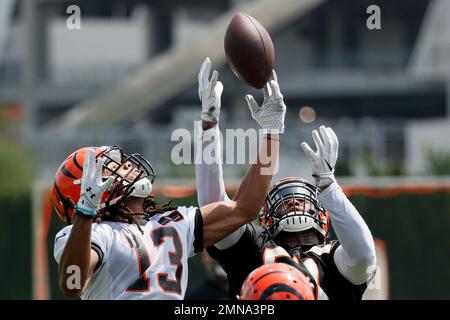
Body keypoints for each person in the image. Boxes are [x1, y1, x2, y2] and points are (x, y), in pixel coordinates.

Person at [51, 57, 286, 300]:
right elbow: (73, 284)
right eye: (114, 166)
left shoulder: (174, 222)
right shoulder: (91, 233)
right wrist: (85, 212)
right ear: (89, 188)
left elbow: (245, 209)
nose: (127, 165)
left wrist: (271, 131)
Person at [195, 59, 377, 300]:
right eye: (281, 201)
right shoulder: (255, 249)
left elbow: (364, 255)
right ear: (267, 216)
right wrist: (209, 126)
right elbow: (213, 209)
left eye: (300, 200)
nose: (291, 203)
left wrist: (328, 185)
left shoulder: (333, 258)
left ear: (323, 212)